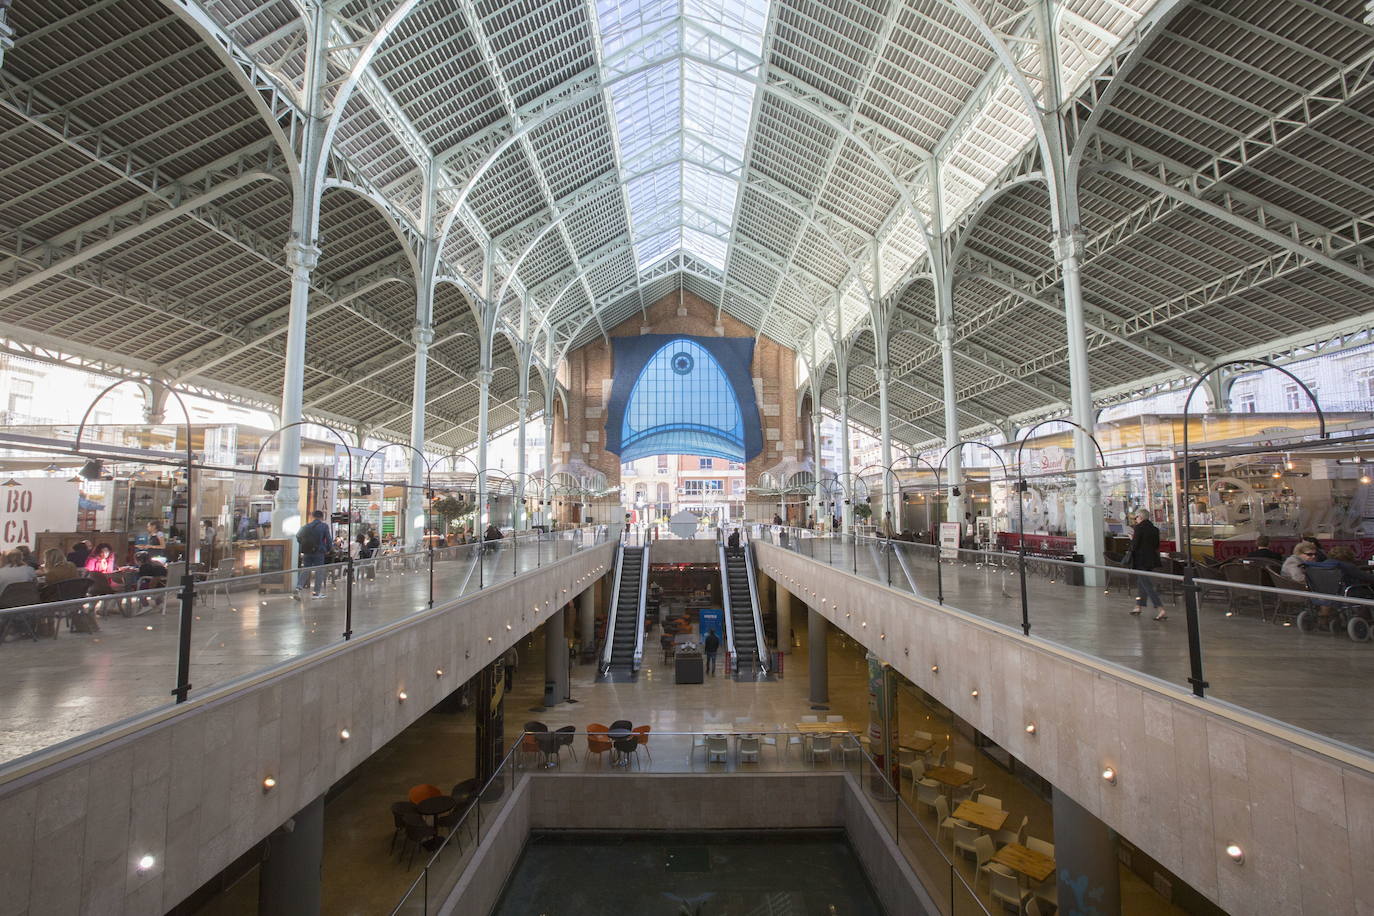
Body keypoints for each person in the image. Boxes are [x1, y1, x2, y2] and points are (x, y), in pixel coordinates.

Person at [1124, 510, 1166, 620]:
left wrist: (1131, 539)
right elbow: (1156, 545)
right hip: (1151, 560)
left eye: (1136, 517)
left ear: (1141, 517)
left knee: (1146, 584)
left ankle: (1160, 608)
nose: (1135, 519)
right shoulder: (1154, 529)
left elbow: (1135, 545)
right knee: (1141, 582)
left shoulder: (1139, 528)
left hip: (1141, 560)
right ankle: (1138, 606)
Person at [294, 509, 331, 599]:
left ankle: (298, 587)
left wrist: (304, 544)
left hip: (307, 551)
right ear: (322, 517)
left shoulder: (306, 526)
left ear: (313, 517)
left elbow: (298, 536)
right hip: (319, 552)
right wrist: (327, 549)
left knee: (306, 570)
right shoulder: (324, 526)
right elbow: (328, 539)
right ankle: (316, 592)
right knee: (319, 571)